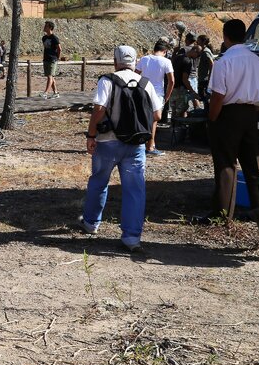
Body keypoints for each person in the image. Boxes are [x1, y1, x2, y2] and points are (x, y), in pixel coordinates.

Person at [78, 46, 163, 253]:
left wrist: (90, 135)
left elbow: (99, 109)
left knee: (99, 181)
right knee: (135, 189)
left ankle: (91, 223)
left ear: (115, 61)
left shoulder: (107, 80)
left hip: (107, 142)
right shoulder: (145, 83)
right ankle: (132, 237)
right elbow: (157, 115)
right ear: (135, 62)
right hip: (135, 145)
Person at [206, 18, 259, 231]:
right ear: (245, 36)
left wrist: (212, 119)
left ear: (225, 37)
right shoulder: (258, 62)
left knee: (226, 163)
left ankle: (223, 213)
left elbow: (218, 96)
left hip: (227, 114)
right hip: (251, 113)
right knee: (253, 162)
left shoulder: (224, 62)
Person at [135, 40, 174, 156]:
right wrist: (167, 96)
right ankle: (150, 147)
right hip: (157, 93)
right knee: (154, 120)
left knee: (142, 117)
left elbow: (135, 74)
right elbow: (171, 81)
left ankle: (140, 144)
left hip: (143, 91)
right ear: (165, 51)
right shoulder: (166, 61)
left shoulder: (144, 59)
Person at [170, 45, 199, 119]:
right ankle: (179, 127)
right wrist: (192, 91)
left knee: (173, 109)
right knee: (182, 109)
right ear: (194, 50)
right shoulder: (188, 62)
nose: (197, 57)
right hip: (180, 88)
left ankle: (173, 127)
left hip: (173, 87)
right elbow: (184, 79)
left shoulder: (178, 57)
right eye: (198, 54)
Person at [40, 21, 61, 99]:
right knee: (51, 76)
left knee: (50, 76)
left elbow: (59, 49)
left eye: (46, 26)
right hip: (46, 59)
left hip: (52, 59)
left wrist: (57, 58)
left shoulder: (54, 38)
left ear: (50, 28)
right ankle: (56, 93)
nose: (44, 27)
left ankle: (46, 92)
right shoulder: (44, 38)